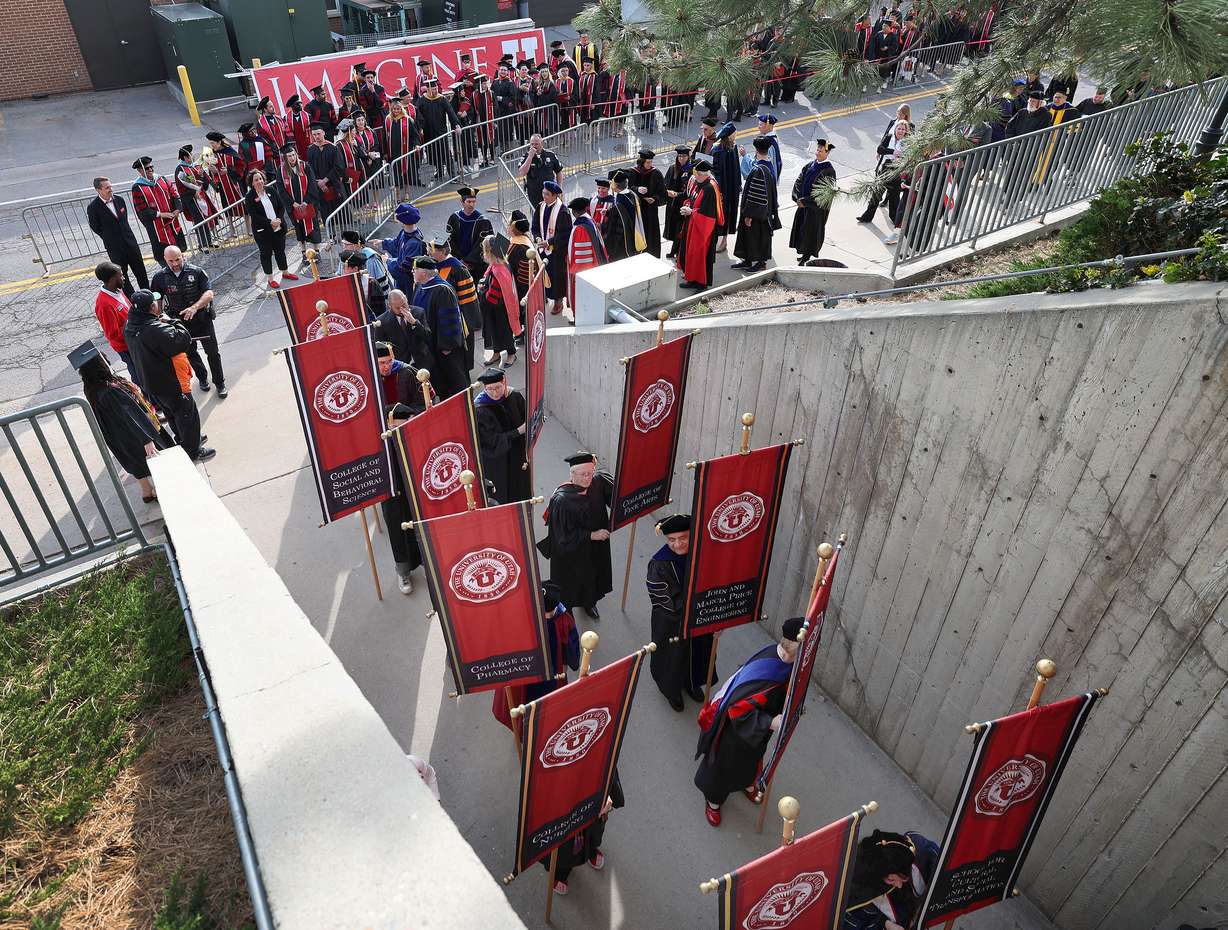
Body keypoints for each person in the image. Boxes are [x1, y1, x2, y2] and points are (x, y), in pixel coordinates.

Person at [694, 617, 803, 825]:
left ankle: (746, 782)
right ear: (791, 651)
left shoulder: (786, 662)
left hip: (757, 729)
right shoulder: (766, 672)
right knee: (725, 766)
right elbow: (738, 710)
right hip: (735, 732)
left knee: (751, 760)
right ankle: (713, 800)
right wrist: (771, 723)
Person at [69, 342, 172, 504]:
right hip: (134, 433)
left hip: (118, 435)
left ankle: (146, 491)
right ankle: (159, 492)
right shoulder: (111, 391)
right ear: (99, 366)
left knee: (136, 462)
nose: (108, 362)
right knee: (151, 461)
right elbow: (130, 415)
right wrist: (146, 439)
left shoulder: (92, 387)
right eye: (104, 360)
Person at [123, 289, 215, 463]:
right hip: (170, 383)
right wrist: (172, 321)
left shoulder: (130, 326)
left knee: (173, 415)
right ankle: (192, 451)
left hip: (152, 384)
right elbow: (183, 340)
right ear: (151, 307)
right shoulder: (155, 329)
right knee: (187, 416)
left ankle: (185, 440)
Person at [646, 514, 714, 711]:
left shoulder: (702, 554)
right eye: (672, 540)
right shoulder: (659, 564)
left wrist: (717, 616)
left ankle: (691, 683)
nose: (677, 544)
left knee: (699, 653)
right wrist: (696, 609)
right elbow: (663, 599)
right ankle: (672, 691)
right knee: (672, 658)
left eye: (683, 538)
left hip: (700, 618)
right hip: (671, 621)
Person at [541, 452, 614, 620]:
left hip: (594, 549)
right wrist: (591, 535)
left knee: (591, 578)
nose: (588, 478)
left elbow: (616, 499)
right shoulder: (562, 500)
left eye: (590, 473)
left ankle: (589, 603)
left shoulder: (599, 482)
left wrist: (629, 508)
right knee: (569, 586)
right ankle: (567, 611)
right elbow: (561, 537)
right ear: (572, 474)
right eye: (583, 474)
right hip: (569, 554)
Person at [151, 246, 228, 398]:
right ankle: (202, 378)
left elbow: (209, 293)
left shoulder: (197, 272)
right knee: (190, 353)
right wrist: (159, 317)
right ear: (165, 260)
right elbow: (156, 298)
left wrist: (194, 307)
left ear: (183, 256)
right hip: (179, 323)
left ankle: (219, 383)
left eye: (177, 259)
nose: (175, 263)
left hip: (202, 319)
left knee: (212, 352)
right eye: (170, 261)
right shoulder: (159, 277)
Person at [842, 829, 941, 930]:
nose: (899, 885)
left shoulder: (920, 851)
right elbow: (857, 923)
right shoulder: (857, 891)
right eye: (891, 879)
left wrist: (920, 913)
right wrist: (885, 924)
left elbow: (945, 867)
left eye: (904, 879)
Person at [546, 772, 623, 897]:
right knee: (564, 848)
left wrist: (609, 792)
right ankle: (560, 873)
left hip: (593, 785)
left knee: (593, 832)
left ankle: (590, 851)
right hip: (561, 789)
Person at [382, 400, 425, 594]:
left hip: (416, 492)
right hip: (394, 497)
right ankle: (403, 571)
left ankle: (425, 561)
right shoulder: (381, 444)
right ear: (390, 425)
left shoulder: (414, 437)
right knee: (399, 534)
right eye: (400, 426)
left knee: (422, 529)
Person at [408, 256, 468, 398]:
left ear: (423, 272)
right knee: (439, 379)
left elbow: (450, 320)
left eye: (414, 269)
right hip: (430, 342)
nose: (412, 271)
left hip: (445, 347)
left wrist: (447, 346)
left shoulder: (442, 290)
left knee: (454, 379)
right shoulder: (419, 286)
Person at [473, 367, 530, 504]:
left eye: (498, 387)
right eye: (490, 389)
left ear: (504, 382)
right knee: (502, 492)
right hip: (497, 460)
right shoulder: (480, 409)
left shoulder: (514, 396)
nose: (494, 393)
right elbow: (490, 441)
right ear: (484, 388)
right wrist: (518, 431)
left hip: (517, 453)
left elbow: (527, 417)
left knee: (520, 488)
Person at [87, 177, 148, 293]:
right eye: (107, 188)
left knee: (141, 271)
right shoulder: (93, 208)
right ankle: (131, 301)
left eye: (110, 186)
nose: (111, 189)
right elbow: (95, 227)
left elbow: (123, 220)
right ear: (98, 190)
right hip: (114, 248)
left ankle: (147, 295)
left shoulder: (120, 200)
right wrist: (109, 236)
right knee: (121, 276)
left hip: (130, 243)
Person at [732, 137, 781, 272]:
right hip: (763, 210)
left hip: (757, 213)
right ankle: (747, 260)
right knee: (751, 235)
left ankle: (760, 263)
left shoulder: (760, 170)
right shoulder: (768, 165)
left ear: (756, 150)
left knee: (758, 236)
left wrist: (749, 215)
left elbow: (756, 196)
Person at [431, 237, 480, 371]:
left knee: (461, 349)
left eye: (431, 249)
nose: (428, 251)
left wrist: (467, 320)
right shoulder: (436, 265)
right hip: (444, 314)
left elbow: (467, 299)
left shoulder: (458, 269)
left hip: (460, 316)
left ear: (441, 252)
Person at [675, 159, 724, 290]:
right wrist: (687, 206)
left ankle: (701, 284)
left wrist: (691, 212)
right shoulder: (701, 183)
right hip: (693, 225)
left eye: (696, 174)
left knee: (699, 256)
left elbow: (709, 215)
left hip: (703, 231)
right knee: (691, 253)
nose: (694, 176)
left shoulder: (710, 188)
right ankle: (692, 279)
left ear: (703, 174)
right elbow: (693, 199)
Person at [130, 156, 186, 267]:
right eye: (147, 168)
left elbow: (175, 196)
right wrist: (160, 214)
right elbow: (142, 210)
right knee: (163, 256)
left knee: (179, 251)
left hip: (172, 223)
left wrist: (177, 209)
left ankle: (182, 268)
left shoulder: (162, 179)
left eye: (151, 167)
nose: (150, 170)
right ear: (140, 170)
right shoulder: (138, 187)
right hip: (157, 227)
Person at [93, 262, 141, 388]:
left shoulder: (117, 290)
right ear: (113, 279)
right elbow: (113, 334)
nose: (124, 278)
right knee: (137, 371)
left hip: (134, 339)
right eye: (121, 275)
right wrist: (135, 329)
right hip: (126, 346)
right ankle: (147, 399)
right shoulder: (104, 305)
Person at [243, 168, 292, 289]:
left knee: (280, 251)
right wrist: (270, 222)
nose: (259, 181)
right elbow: (254, 215)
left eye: (260, 178)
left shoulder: (270, 190)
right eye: (256, 180)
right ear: (252, 183)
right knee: (266, 254)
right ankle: (270, 279)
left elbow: (281, 206)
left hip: (278, 227)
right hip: (263, 231)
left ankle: (285, 272)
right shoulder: (249, 197)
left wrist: (279, 219)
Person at [789, 139, 837, 263]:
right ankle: (803, 253)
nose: (817, 152)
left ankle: (806, 257)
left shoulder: (829, 171)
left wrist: (806, 201)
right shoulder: (810, 165)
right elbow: (799, 181)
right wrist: (798, 198)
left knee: (810, 233)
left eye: (821, 150)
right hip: (803, 206)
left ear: (827, 153)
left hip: (815, 210)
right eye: (817, 150)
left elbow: (824, 194)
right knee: (801, 230)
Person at [478, 234, 521, 369]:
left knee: (504, 332)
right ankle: (496, 352)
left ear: (490, 252)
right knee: (493, 331)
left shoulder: (500, 270)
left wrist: (482, 292)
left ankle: (511, 353)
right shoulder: (496, 265)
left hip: (500, 308)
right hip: (494, 308)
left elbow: (494, 294)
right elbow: (486, 277)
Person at [856, 121, 911, 227]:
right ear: (895, 129)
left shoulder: (907, 142)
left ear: (906, 131)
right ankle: (867, 217)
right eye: (899, 128)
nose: (900, 131)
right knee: (876, 194)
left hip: (897, 170)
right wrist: (893, 152)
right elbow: (880, 149)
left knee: (894, 197)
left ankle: (896, 219)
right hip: (885, 167)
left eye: (903, 129)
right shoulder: (889, 137)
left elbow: (909, 156)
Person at [277, 142, 322, 266]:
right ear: (285, 158)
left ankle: (316, 252)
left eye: (293, 155)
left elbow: (313, 184)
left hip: (309, 204)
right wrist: (293, 203)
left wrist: (306, 201)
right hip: (294, 208)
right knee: (299, 229)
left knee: (313, 227)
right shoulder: (280, 171)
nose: (292, 158)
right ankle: (304, 254)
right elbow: (280, 190)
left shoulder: (305, 166)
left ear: (296, 155)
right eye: (289, 156)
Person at [532, 181, 572, 315]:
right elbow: (535, 226)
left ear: (555, 195)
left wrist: (548, 242)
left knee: (556, 276)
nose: (544, 196)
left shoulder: (563, 211)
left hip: (556, 251)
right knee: (543, 274)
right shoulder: (540, 207)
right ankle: (544, 296)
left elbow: (564, 234)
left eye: (547, 194)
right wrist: (537, 238)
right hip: (542, 249)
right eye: (543, 193)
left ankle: (558, 301)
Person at [374, 288, 434, 370]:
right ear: (389, 306)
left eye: (404, 305)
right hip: (400, 366)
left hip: (423, 363)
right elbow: (381, 348)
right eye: (398, 308)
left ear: (406, 299)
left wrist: (414, 322)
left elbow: (428, 337)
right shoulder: (381, 322)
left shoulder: (419, 312)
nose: (402, 310)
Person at [566, 197, 607, 315]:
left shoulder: (581, 228)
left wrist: (576, 273)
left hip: (582, 272)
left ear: (574, 212)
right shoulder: (589, 221)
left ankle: (580, 317)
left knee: (581, 295)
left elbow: (582, 257)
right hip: (592, 267)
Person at [373, 203, 426, 294]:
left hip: (408, 284)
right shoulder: (404, 232)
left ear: (403, 221)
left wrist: (388, 261)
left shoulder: (414, 243)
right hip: (402, 282)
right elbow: (396, 243)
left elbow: (404, 268)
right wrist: (383, 242)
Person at [417, 78, 461, 180]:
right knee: (433, 153)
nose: (436, 91)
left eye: (436, 88)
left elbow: (451, 113)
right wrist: (420, 128)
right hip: (428, 132)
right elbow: (418, 115)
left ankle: (453, 175)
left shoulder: (442, 99)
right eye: (433, 89)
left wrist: (456, 125)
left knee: (446, 153)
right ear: (427, 89)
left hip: (441, 131)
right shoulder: (422, 100)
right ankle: (440, 171)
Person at [446, 187, 494, 280]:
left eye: (474, 201)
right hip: (458, 263)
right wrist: (458, 260)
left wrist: (467, 261)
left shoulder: (483, 221)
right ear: (462, 201)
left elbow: (482, 245)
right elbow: (450, 241)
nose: (472, 204)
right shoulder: (454, 218)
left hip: (476, 266)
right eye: (469, 202)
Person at [630, 149, 667, 258]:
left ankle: (652, 256)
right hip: (637, 209)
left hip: (650, 211)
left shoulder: (656, 173)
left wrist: (654, 199)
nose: (650, 165)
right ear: (641, 162)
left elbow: (662, 192)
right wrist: (637, 189)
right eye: (647, 162)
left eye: (651, 162)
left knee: (651, 235)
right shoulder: (633, 172)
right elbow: (627, 188)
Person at [710, 124, 742, 251]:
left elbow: (737, 169)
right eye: (735, 132)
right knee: (721, 213)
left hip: (731, 188)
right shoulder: (718, 150)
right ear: (729, 135)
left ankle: (724, 240)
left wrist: (738, 184)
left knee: (728, 213)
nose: (736, 134)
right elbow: (715, 171)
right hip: (723, 189)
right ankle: (719, 241)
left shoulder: (732, 148)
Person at [305, 123, 345, 220]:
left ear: (323, 133)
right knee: (325, 211)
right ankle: (331, 234)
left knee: (339, 213)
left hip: (333, 185)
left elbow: (338, 167)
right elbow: (310, 170)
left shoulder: (333, 148)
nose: (316, 137)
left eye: (318, 134)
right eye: (314, 135)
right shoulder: (311, 150)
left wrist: (325, 180)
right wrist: (318, 182)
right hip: (319, 187)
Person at [517, 134, 564, 209]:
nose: (534, 146)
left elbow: (559, 171)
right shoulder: (526, 156)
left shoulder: (550, 155)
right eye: (532, 144)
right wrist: (530, 157)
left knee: (552, 214)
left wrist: (559, 188)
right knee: (537, 215)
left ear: (542, 144)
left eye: (536, 144)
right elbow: (522, 172)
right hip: (534, 194)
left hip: (550, 192)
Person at [663, 146, 693, 258]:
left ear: (688, 156)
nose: (681, 158)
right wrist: (667, 191)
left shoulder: (691, 170)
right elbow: (665, 183)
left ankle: (676, 251)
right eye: (679, 156)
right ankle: (674, 250)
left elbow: (689, 191)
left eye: (684, 156)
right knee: (673, 227)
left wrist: (677, 194)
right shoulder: (673, 168)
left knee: (680, 229)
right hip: (672, 204)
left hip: (683, 204)